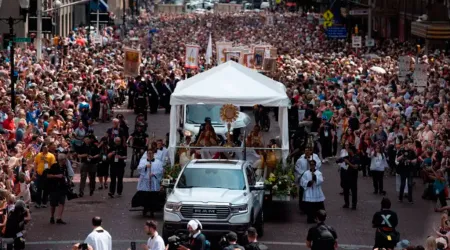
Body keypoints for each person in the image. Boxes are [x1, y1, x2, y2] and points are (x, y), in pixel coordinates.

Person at [132, 150, 164, 217]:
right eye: (148, 153)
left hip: (153, 182)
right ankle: (145, 209)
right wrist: (146, 167)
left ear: (153, 154)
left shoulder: (158, 162)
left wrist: (154, 174)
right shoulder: (143, 161)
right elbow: (139, 169)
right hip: (145, 182)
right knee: (145, 197)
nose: (150, 154)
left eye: (151, 153)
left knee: (153, 197)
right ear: (146, 154)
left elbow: (161, 171)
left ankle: (152, 211)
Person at [295, 146, 322, 212]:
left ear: (311, 151)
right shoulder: (301, 158)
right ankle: (302, 207)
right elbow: (297, 167)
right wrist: (303, 173)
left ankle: (311, 206)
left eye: (308, 151)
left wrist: (309, 161)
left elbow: (318, 165)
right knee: (302, 192)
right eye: (305, 151)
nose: (307, 152)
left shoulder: (315, 157)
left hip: (311, 177)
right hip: (303, 177)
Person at [47, 154, 70, 225]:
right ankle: (51, 217)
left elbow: (66, 175)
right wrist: (56, 176)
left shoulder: (65, 167)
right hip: (54, 187)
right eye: (64, 160)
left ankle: (59, 218)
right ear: (61, 160)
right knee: (53, 204)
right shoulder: (54, 166)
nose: (65, 161)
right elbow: (48, 175)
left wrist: (68, 180)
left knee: (62, 202)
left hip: (62, 187)